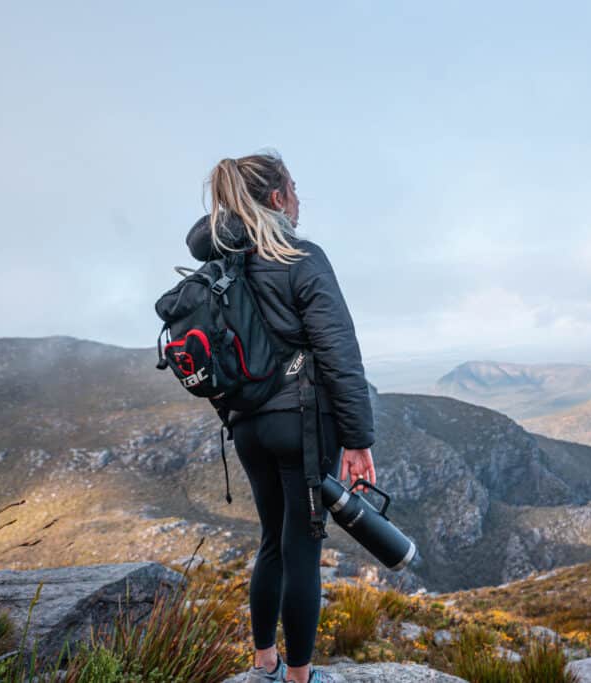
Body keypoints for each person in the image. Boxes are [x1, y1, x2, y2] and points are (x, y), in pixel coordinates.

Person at [186, 151, 376, 683]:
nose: (298, 198)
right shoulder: (301, 258)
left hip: (246, 425)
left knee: (271, 539)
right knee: (301, 547)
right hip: (301, 426)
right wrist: (359, 440)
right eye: (293, 188)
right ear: (277, 199)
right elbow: (338, 352)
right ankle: (298, 676)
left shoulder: (221, 267)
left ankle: (263, 660)